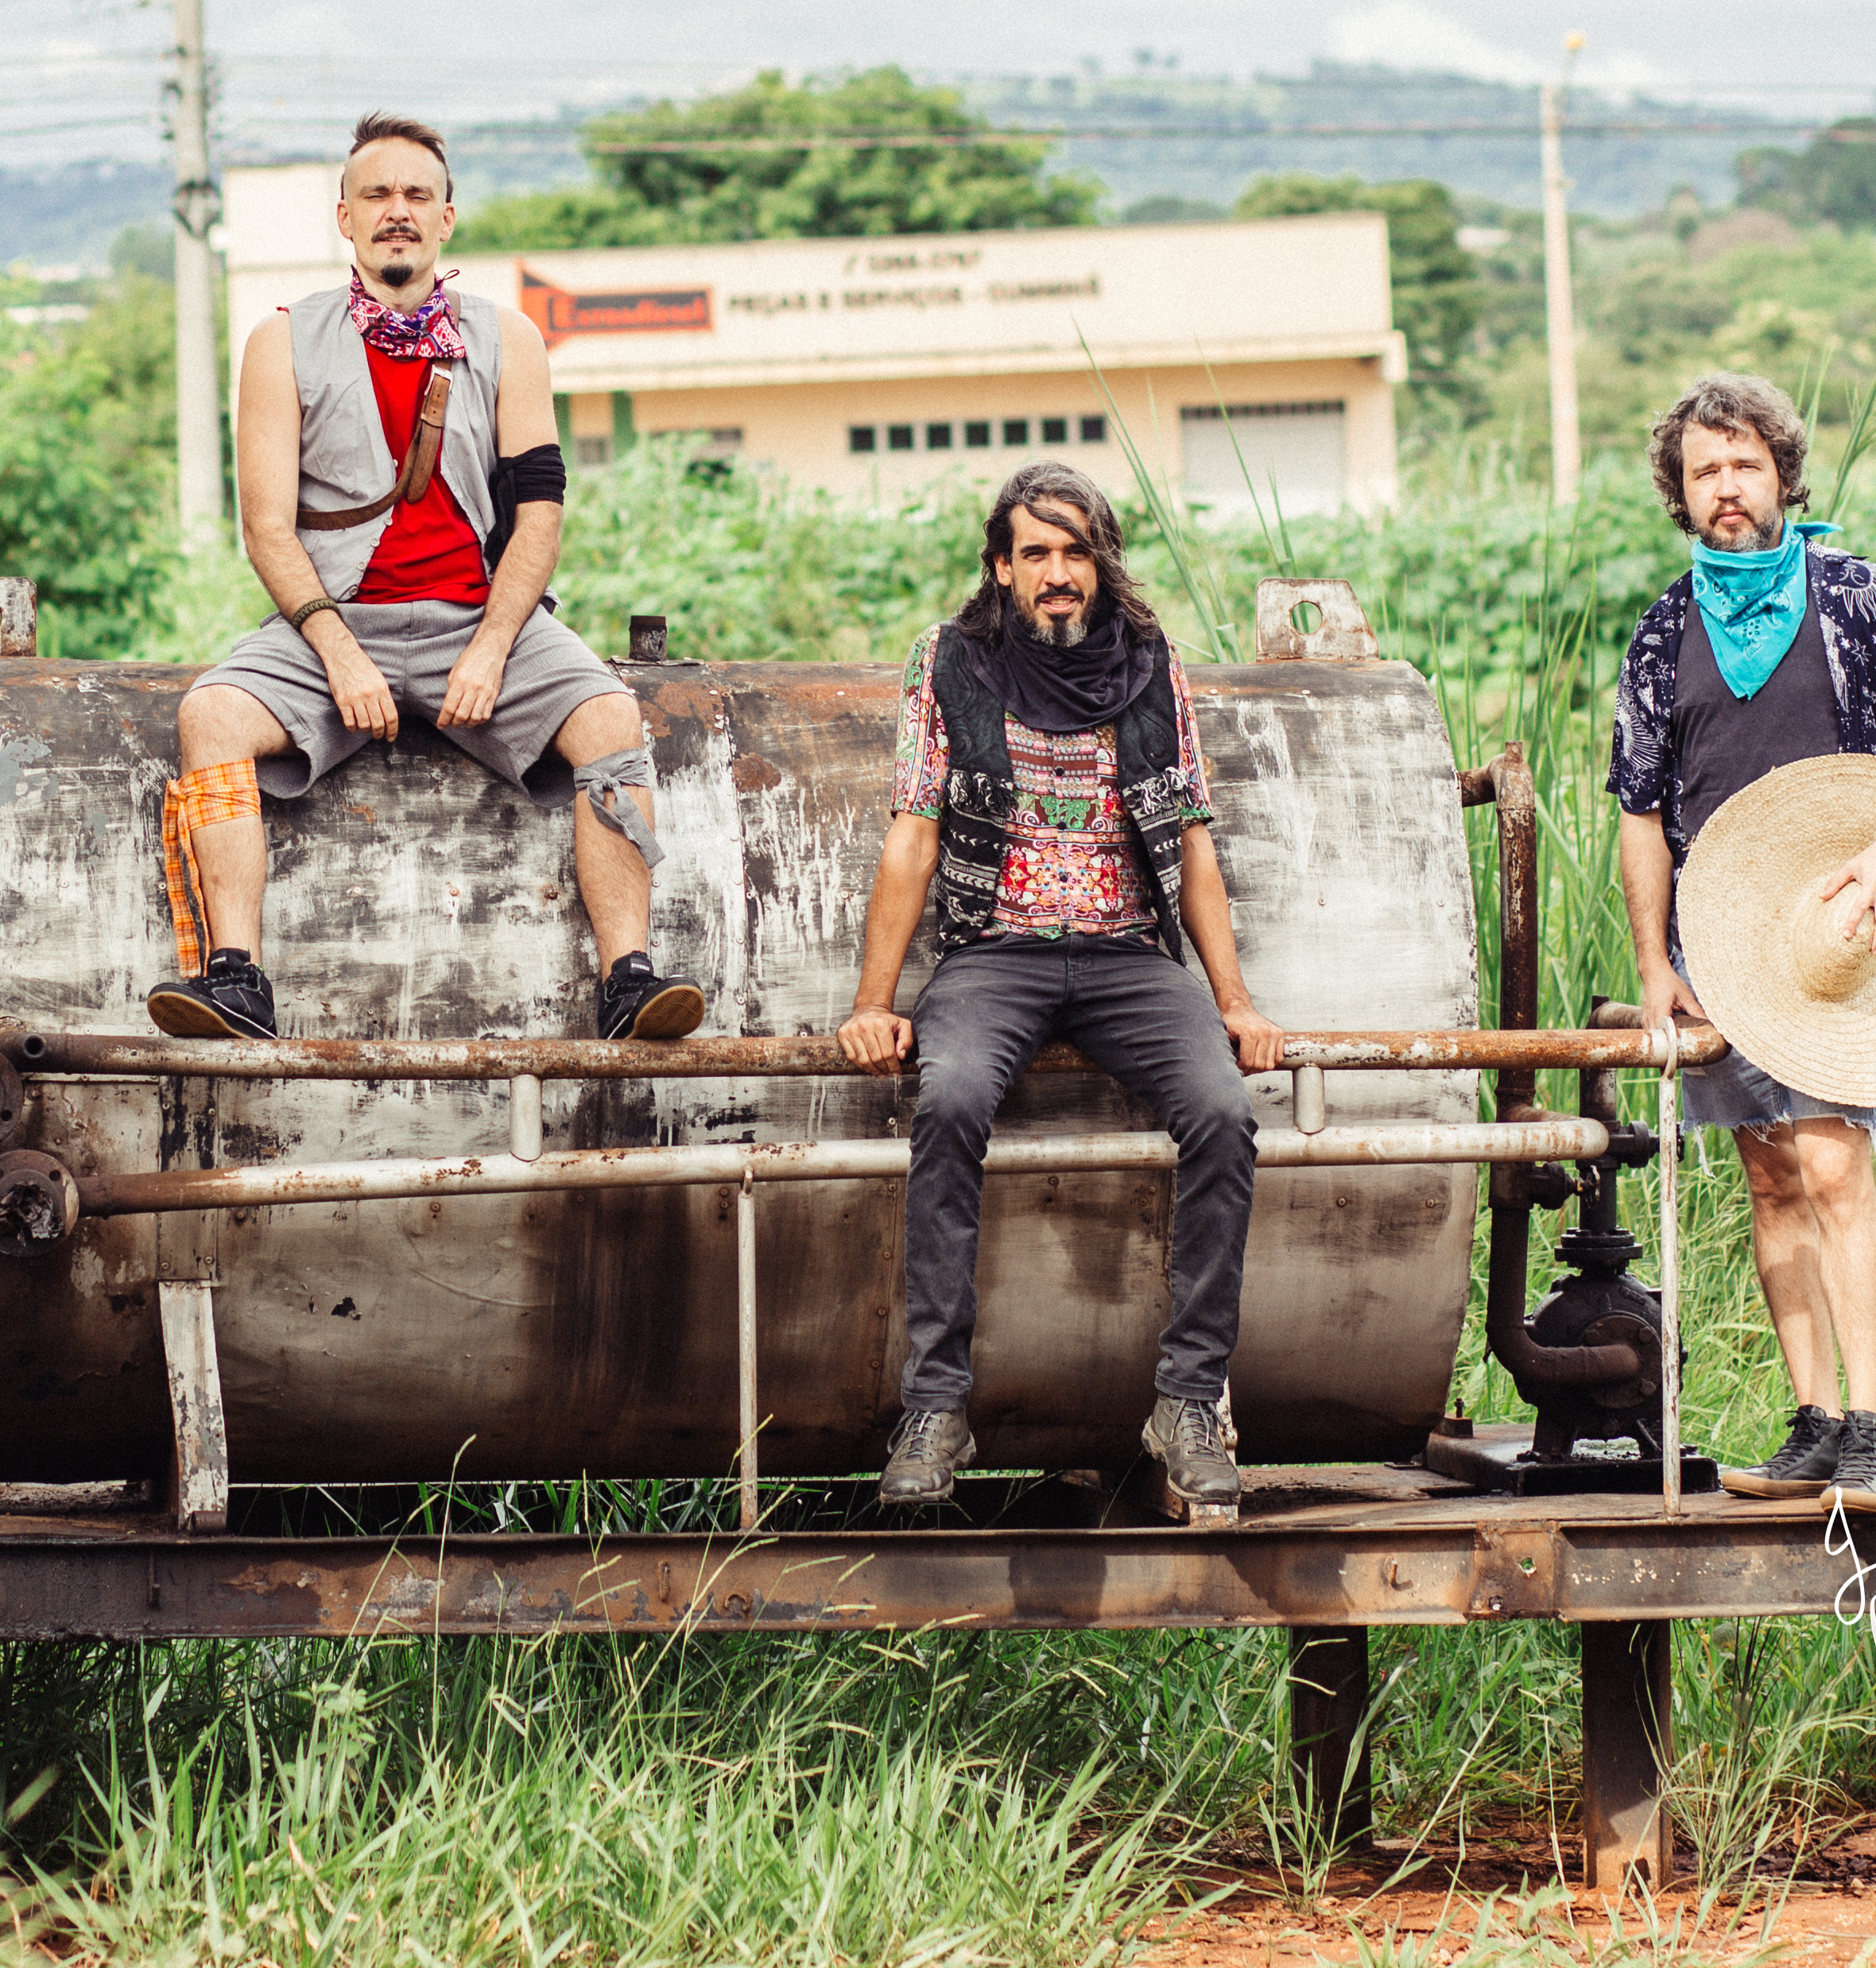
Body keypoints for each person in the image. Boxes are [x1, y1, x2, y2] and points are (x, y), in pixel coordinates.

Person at [149, 112, 702, 1042]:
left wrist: (491, 648)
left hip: (474, 617)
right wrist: (339, 655)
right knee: (209, 714)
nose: (396, 211)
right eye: (377, 195)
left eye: (416, 195)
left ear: (447, 217)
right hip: (334, 618)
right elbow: (265, 529)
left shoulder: (507, 338)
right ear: (344, 217)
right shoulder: (279, 342)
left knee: (609, 716)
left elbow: (539, 513)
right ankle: (235, 978)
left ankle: (628, 979)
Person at [836, 465, 1284, 1516]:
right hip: (994, 954)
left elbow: (1187, 837)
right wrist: (873, 998)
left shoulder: (1147, 664)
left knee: (1222, 1111)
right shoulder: (949, 663)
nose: (1055, 573)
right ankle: (935, 1405)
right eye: (1033, 552)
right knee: (945, 1100)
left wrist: (1234, 997)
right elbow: (913, 832)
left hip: (1129, 958)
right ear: (999, 567)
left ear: (1100, 563)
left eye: (1074, 551)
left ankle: (1185, 1399)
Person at [1613, 372, 1876, 1513]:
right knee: (1770, 1177)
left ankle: (1869, 1432)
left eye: (1742, 465)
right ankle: (1811, 1423)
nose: (1724, 489)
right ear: (1679, 494)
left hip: (1834, 935)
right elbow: (1637, 810)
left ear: (1780, 471)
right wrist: (1650, 966)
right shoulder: (1664, 628)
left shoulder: (1856, 596)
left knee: (1830, 1163)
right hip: (1715, 942)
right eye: (1702, 472)